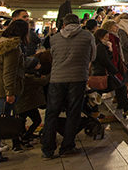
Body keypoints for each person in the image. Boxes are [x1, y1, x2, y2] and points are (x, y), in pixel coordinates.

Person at [41, 13, 96, 159]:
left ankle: (47, 148)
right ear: (79, 23)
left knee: (52, 113)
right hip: (78, 78)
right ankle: (67, 146)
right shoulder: (88, 36)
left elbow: (53, 55)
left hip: (57, 78)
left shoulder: (54, 38)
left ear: (64, 24)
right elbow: (93, 56)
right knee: (74, 112)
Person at [0, 19, 28, 163]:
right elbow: (9, 72)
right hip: (4, 89)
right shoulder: (11, 48)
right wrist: (10, 92)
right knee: (1, 121)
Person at [102, 19, 128, 117]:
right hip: (115, 65)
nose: (117, 27)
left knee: (120, 86)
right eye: (114, 26)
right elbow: (115, 52)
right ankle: (125, 108)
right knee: (121, 85)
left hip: (115, 65)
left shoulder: (113, 36)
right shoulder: (112, 37)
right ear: (110, 27)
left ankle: (123, 106)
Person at [15, 54, 48, 147]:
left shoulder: (25, 76)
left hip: (24, 105)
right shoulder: (29, 78)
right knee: (36, 120)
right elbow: (44, 81)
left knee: (23, 122)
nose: (39, 66)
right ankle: (25, 137)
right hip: (26, 105)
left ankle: (25, 136)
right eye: (37, 65)